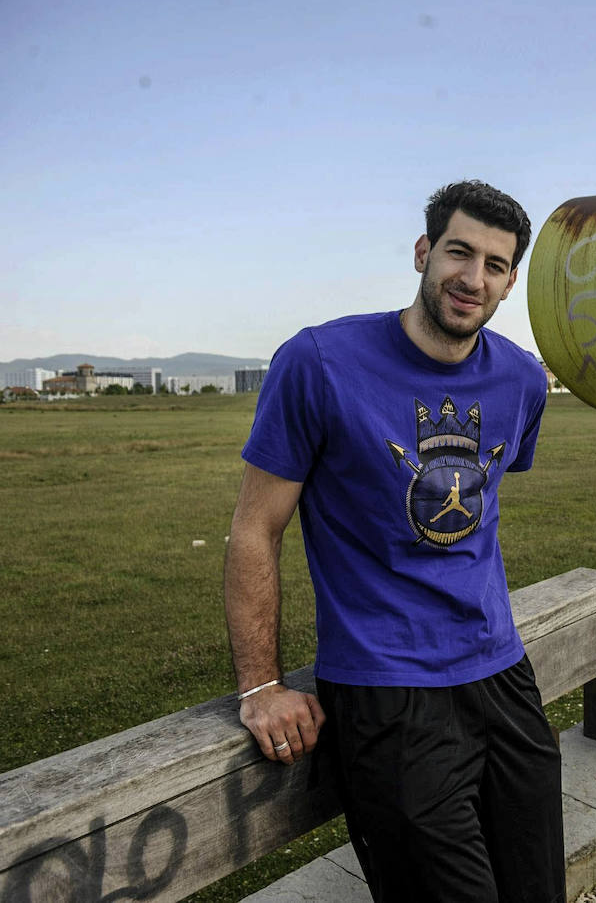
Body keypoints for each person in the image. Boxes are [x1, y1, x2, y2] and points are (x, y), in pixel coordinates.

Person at [223, 180, 562, 902]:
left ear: (509, 281)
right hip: (387, 690)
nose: (473, 279)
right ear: (423, 252)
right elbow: (256, 529)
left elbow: (480, 505)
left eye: (495, 265)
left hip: (502, 673)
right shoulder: (318, 363)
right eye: (458, 252)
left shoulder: (523, 380)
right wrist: (260, 686)